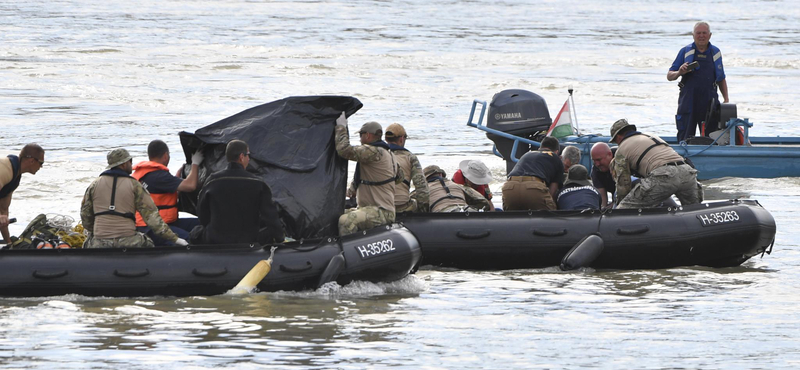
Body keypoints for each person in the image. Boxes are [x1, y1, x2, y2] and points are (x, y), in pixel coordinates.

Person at [80, 148, 187, 248]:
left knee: (86, 243)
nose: (131, 164)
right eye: (130, 161)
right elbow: (153, 219)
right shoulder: (135, 185)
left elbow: (85, 216)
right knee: (149, 243)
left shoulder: (94, 185)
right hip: (128, 241)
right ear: (123, 164)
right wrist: (175, 239)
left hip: (99, 242)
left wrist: (97, 232)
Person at [192, 140, 284, 245]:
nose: (249, 159)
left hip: (216, 238)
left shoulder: (212, 180)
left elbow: (202, 213)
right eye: (248, 155)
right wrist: (280, 239)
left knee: (195, 232)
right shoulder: (257, 183)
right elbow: (271, 217)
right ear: (241, 156)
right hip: (249, 240)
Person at [609, 119, 703, 209]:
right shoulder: (651, 136)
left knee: (624, 209)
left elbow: (623, 183)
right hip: (687, 172)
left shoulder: (621, 149)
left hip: (664, 175)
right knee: (694, 209)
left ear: (618, 137)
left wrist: (620, 202)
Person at [335, 113, 403, 236]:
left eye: (361, 136)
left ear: (367, 135)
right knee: (338, 213)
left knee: (345, 221)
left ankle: (347, 252)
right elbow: (399, 178)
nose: (360, 140)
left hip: (380, 211)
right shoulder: (390, 155)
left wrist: (341, 128)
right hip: (380, 210)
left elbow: (344, 150)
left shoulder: (373, 151)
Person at [132, 140, 204, 245]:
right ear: (166, 155)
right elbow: (191, 186)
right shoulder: (159, 176)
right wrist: (195, 163)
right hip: (152, 227)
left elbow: (163, 189)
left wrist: (178, 177)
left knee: (201, 224)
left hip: (151, 222)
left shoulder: (143, 173)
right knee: (191, 238)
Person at [667, 21, 729, 142]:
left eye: (704, 33)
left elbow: (721, 78)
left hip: (709, 101)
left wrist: (726, 99)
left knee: (711, 137)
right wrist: (679, 72)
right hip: (688, 100)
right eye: (698, 33)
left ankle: (710, 157)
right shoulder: (685, 51)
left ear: (710, 35)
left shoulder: (715, 53)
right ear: (693, 35)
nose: (701, 36)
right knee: (685, 135)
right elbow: (669, 76)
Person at [502, 136, 564, 211]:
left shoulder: (527, 154)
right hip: (533, 188)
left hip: (510, 187)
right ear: (556, 152)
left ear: (539, 148)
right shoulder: (555, 157)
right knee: (552, 215)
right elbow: (553, 191)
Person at [0, 143, 44, 243]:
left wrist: (8, 242)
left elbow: (3, 211)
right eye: (41, 163)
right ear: (32, 160)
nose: (41, 167)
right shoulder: (5, 169)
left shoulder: (15, 177)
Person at [384, 123, 429, 213]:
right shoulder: (410, 157)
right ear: (401, 139)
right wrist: (424, 213)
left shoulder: (377, 156)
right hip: (401, 207)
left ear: (385, 139)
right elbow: (422, 188)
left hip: (380, 206)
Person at [424, 165, 493, 212]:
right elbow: (484, 202)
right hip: (465, 210)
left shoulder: (422, 191)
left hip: (442, 215)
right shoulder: (457, 185)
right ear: (441, 175)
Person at [590, 142, 616, 209]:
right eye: (594, 161)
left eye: (599, 160)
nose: (597, 164)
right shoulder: (596, 171)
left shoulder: (623, 161)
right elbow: (602, 199)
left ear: (610, 155)